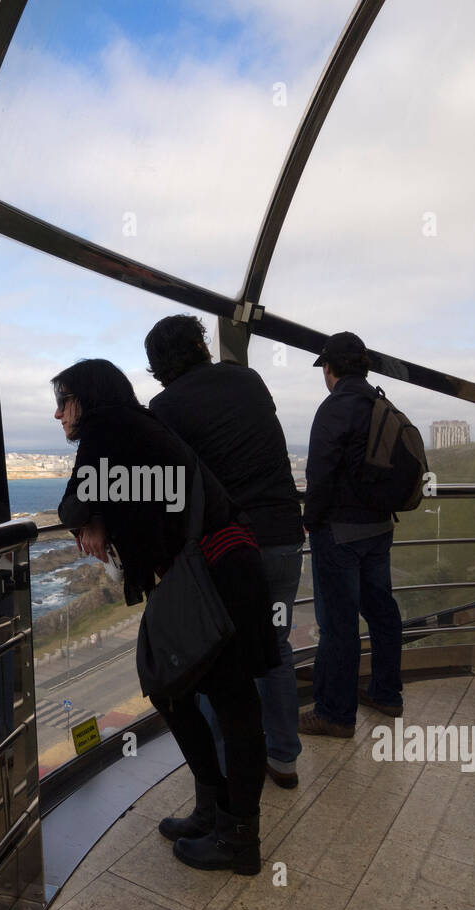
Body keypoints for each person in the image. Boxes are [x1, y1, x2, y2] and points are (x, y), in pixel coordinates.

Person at [52, 359, 278, 874]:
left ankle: (238, 836)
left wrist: (91, 515)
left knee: (222, 699)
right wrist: (103, 514)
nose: (58, 414)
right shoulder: (138, 426)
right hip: (221, 565)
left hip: (210, 575)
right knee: (183, 691)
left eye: (63, 401)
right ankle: (216, 810)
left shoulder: (107, 429)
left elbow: (72, 505)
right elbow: (121, 492)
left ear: (87, 399)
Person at [144, 315, 306, 788]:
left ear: (157, 365)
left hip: (229, 548)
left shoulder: (166, 407)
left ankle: (227, 770)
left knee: (215, 658)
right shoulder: (248, 379)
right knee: (274, 647)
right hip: (283, 536)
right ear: (200, 344)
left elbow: (170, 488)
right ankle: (284, 758)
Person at [300, 332, 404, 738]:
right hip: (380, 528)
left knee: (339, 626)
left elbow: (320, 473)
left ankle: (335, 714)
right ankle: (386, 693)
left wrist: (310, 519)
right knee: (382, 612)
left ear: (330, 369)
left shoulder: (334, 408)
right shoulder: (380, 403)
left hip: (340, 533)